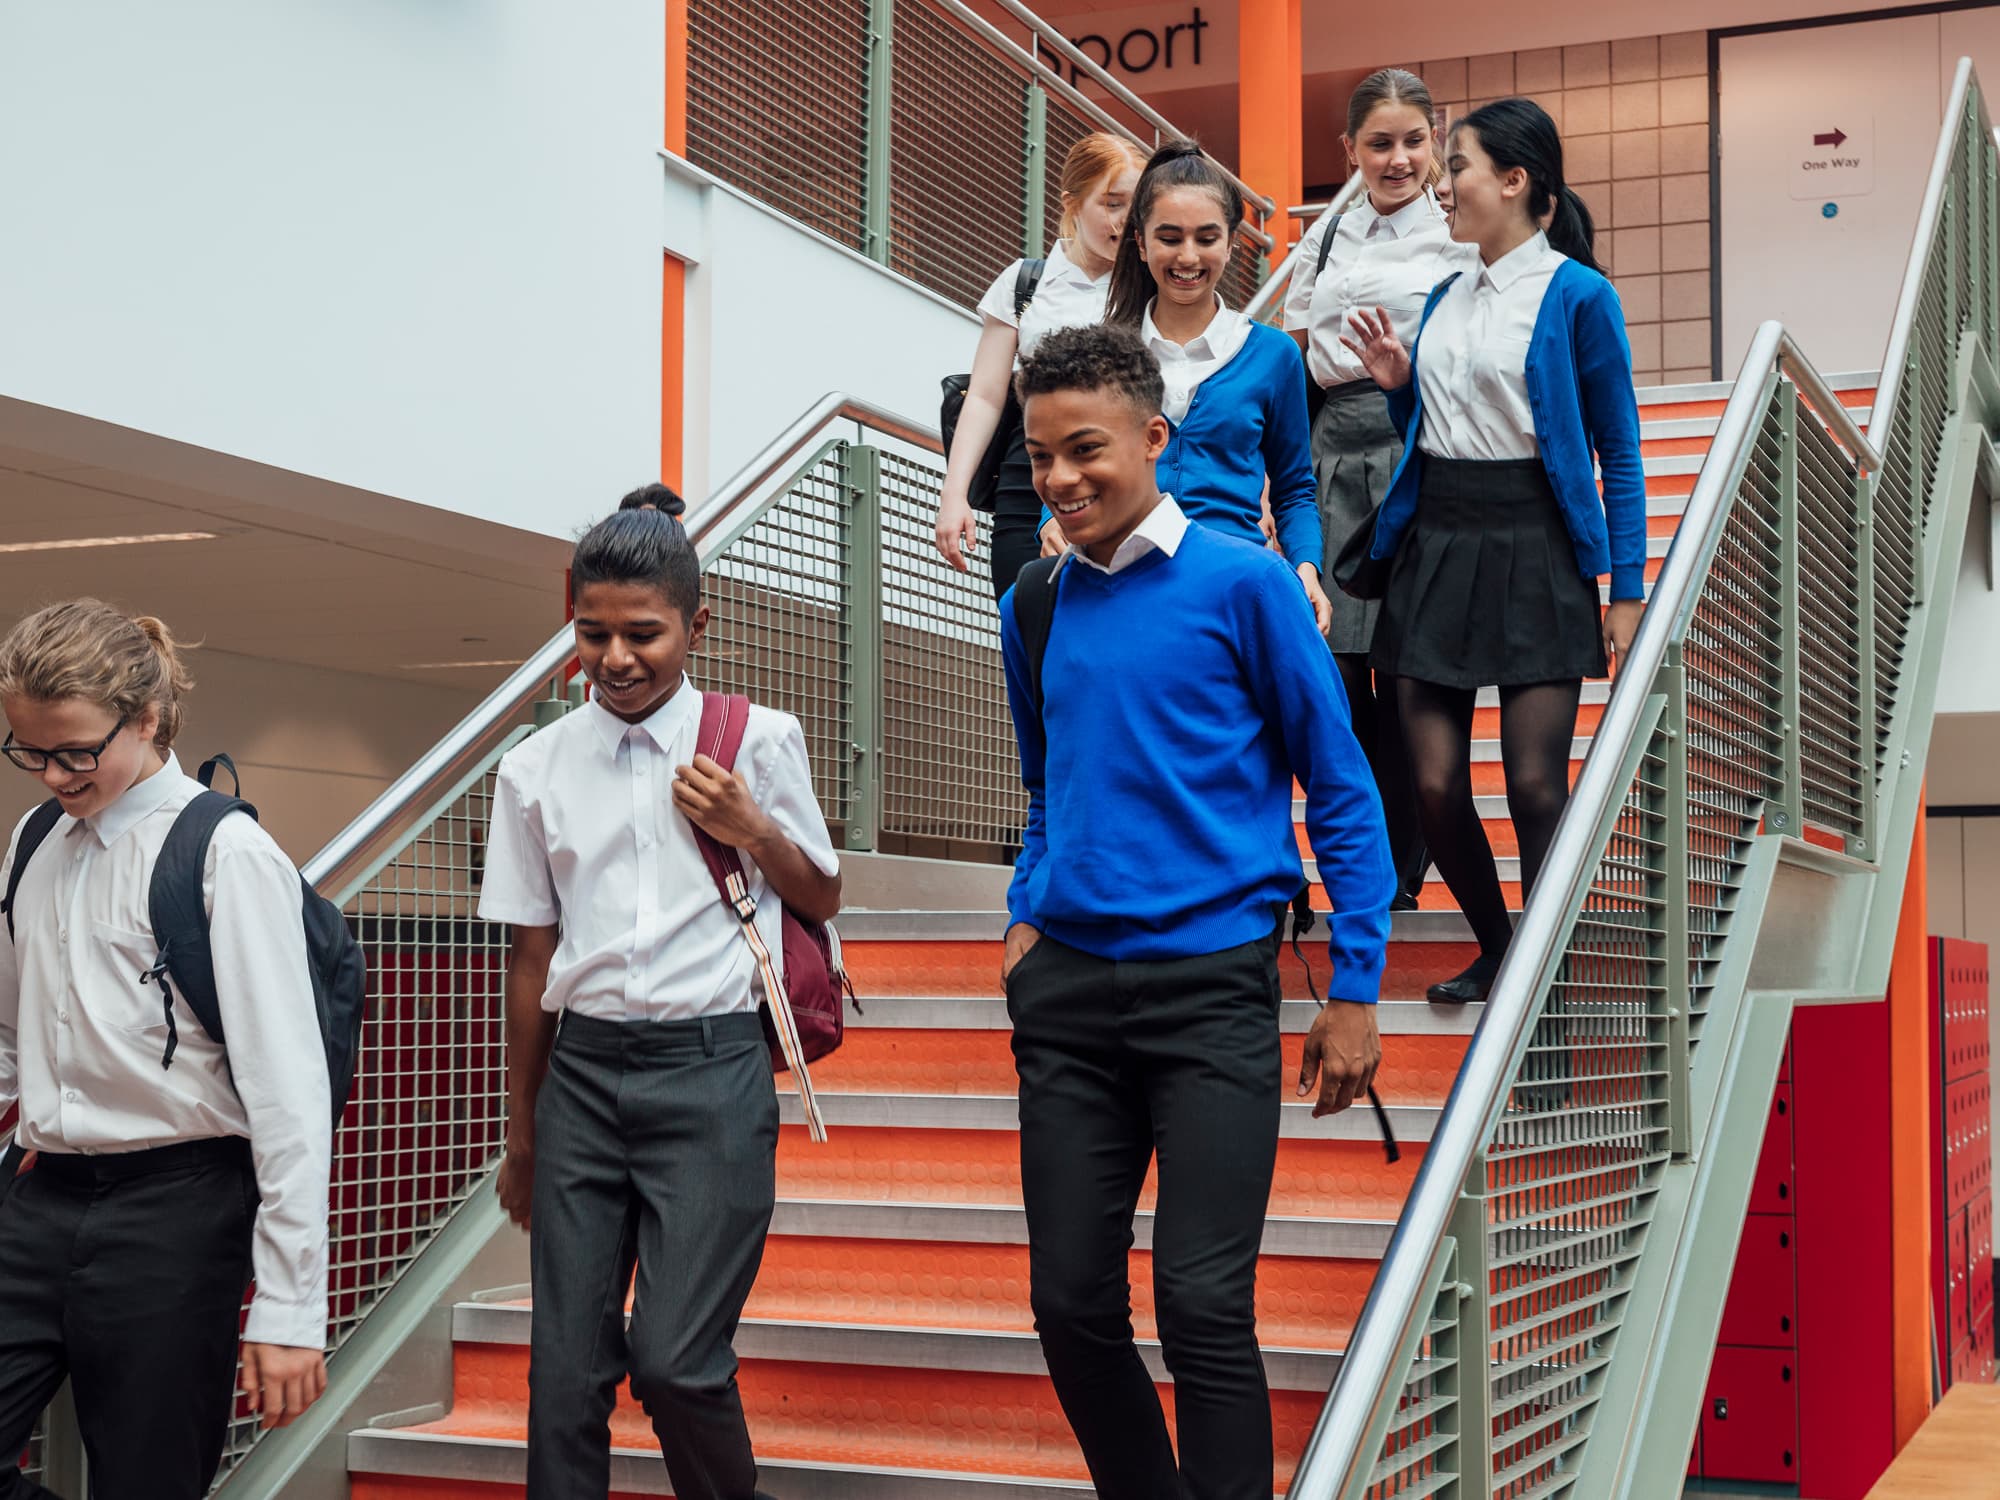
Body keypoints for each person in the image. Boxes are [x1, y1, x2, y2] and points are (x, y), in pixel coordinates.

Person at [999, 324, 1394, 1500]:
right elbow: (1043, 782)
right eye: (1038, 457)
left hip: (1211, 992)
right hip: (1065, 995)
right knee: (1068, 1302)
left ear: (1153, 440)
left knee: (1203, 1307)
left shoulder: (1246, 582)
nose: (1060, 479)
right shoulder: (1032, 600)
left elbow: (1338, 785)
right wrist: (1026, 915)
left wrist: (1358, 985)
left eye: (1085, 450)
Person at [480, 500, 840, 1500]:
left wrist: (749, 824)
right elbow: (530, 957)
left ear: (695, 624)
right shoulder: (533, 767)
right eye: (593, 633)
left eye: (642, 633)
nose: (616, 656)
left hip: (713, 1075)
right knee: (564, 1378)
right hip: (584, 1081)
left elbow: (821, 893)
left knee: (676, 1359)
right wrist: (524, 1131)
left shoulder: (757, 739)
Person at [0, 600, 331, 1498]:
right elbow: (11, 1037)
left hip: (178, 1214)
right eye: (29, 751)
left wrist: (293, 1304)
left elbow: (289, 1097)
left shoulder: (225, 852)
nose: (53, 776)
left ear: (145, 720)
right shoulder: (33, 843)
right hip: (40, 1197)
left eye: (75, 751)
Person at [1343, 96, 1647, 1003]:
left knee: (1533, 785)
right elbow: (1437, 426)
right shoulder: (1446, 295)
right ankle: (1500, 948)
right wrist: (1400, 387)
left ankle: (1549, 966)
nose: (1442, 184)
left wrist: (1623, 590)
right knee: (1432, 787)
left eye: (1457, 166)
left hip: (1535, 542)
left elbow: (1619, 452)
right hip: (1436, 539)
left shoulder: (1579, 295)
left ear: (1515, 182)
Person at [1284, 68, 1468, 910]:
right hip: (1329, 453)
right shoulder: (1321, 242)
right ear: (1349, 150)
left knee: (1405, 671)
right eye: (1378, 143)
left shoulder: (1461, 234)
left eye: (1413, 141)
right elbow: (1293, 368)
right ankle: (1369, 855)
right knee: (1337, 667)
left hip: (1416, 447)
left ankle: (1405, 860)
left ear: (1437, 139)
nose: (1397, 159)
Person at [1082, 141, 1332, 632]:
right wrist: (1052, 522)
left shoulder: (1274, 355)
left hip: (1230, 593)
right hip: (1117, 581)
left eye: (1207, 237)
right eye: (1170, 237)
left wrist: (1305, 568)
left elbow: (1295, 488)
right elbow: (1070, 462)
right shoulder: (1102, 353)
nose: (1188, 256)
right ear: (1140, 242)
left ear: (1232, 243)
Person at [936, 132, 1148, 600]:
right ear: (1072, 202)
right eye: (1111, 203)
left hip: (1117, 477)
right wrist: (954, 494)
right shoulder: (1024, 282)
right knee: (1027, 631)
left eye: (1136, 206)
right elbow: (986, 395)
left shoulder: (1150, 288)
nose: (1126, 221)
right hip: (1025, 475)